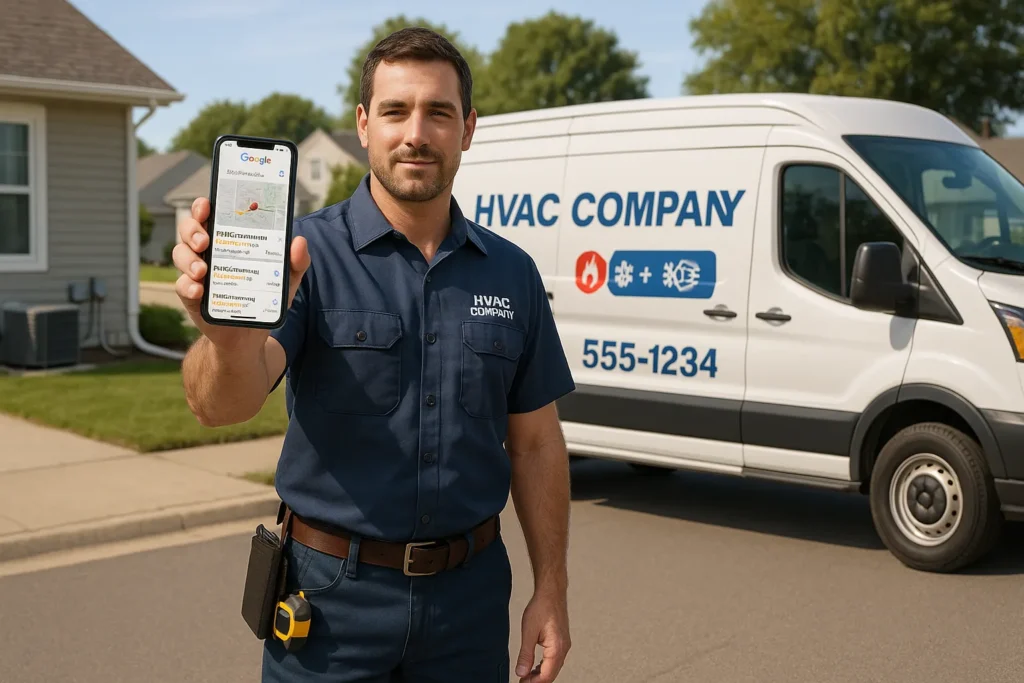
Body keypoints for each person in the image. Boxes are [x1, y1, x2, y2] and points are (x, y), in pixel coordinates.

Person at [172, 26, 576, 683]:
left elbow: (536, 444)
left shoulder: (512, 273)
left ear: (468, 128)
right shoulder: (302, 257)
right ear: (364, 125)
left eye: (438, 112)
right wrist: (226, 342)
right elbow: (222, 404)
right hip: (329, 609)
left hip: (468, 608)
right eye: (395, 110)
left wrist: (552, 588)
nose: (415, 132)